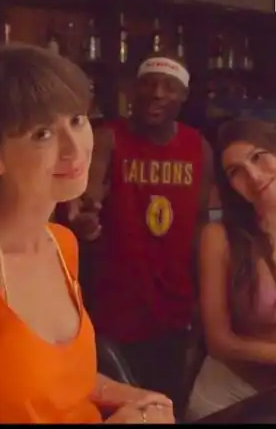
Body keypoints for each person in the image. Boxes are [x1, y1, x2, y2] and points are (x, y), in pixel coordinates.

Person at [0, 43, 175, 424]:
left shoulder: (61, 243)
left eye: (77, 120)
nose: (74, 149)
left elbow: (56, 379)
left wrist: (141, 400)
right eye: (42, 134)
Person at [69, 52, 213, 413]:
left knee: (167, 403)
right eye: (149, 83)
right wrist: (87, 215)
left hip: (174, 304)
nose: (158, 93)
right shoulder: (108, 138)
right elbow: (87, 197)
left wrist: (203, 296)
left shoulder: (199, 147)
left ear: (184, 96)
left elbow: (200, 226)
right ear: (133, 89)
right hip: (115, 301)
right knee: (117, 405)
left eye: (170, 86)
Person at [186, 118, 276, 420]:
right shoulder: (220, 237)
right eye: (235, 171)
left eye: (258, 157)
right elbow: (219, 342)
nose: (253, 176)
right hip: (230, 397)